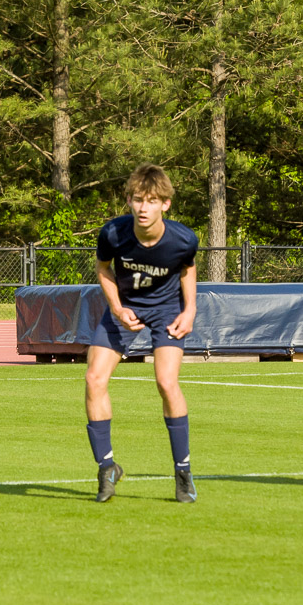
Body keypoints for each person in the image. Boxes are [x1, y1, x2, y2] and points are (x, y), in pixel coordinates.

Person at [84, 163, 199, 503]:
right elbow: (103, 269)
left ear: (165, 204)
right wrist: (118, 307)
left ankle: (183, 472)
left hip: (166, 310)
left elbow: (187, 270)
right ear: (129, 202)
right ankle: (106, 468)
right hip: (125, 308)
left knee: (166, 382)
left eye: (151, 201)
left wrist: (190, 310)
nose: (143, 207)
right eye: (137, 200)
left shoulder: (183, 239)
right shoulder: (113, 233)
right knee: (94, 378)